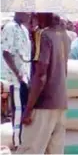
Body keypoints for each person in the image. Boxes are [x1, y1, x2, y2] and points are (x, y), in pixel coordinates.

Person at [16, 14, 70, 154]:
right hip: (60, 101)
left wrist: (28, 109)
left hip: (43, 103)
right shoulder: (65, 36)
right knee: (54, 151)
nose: (33, 16)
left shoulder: (43, 35)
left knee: (30, 149)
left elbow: (40, 75)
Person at [1, 12, 31, 148]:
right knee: (18, 111)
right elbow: (6, 53)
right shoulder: (10, 27)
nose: (29, 15)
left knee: (24, 109)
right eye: (27, 13)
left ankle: (23, 141)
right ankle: (18, 143)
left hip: (25, 77)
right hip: (16, 78)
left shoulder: (24, 29)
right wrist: (17, 73)